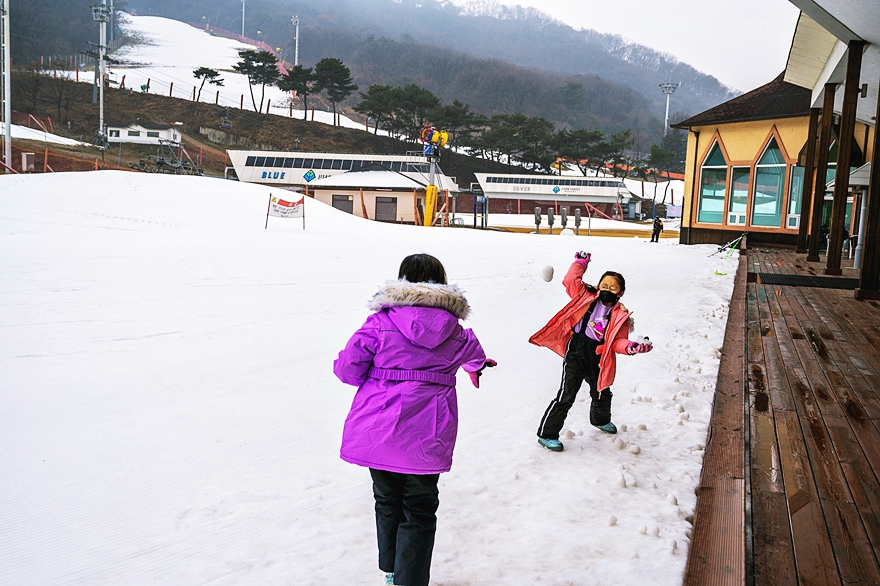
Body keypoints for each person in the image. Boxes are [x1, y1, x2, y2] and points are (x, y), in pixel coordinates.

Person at [333, 253, 495, 586]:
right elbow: (475, 357)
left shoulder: (380, 323)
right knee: (419, 508)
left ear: (402, 281)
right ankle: (410, 579)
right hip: (428, 433)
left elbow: (348, 370)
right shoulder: (458, 332)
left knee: (386, 499)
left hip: (377, 428)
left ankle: (391, 570)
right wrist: (475, 368)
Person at [529, 251, 653, 452]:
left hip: (599, 355)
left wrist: (632, 347)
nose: (607, 290)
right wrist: (580, 264)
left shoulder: (620, 314)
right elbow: (570, 280)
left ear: (620, 293)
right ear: (598, 286)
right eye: (604, 286)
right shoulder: (584, 297)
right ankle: (547, 434)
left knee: (602, 390)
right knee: (566, 395)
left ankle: (600, 420)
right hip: (577, 351)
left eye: (613, 288)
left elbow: (618, 341)